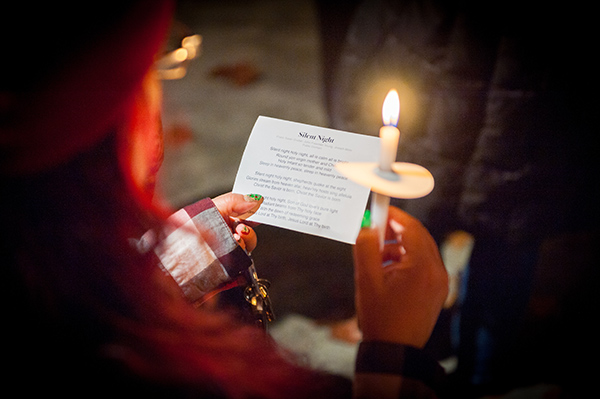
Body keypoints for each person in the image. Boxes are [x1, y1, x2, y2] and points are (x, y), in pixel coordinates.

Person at [1, 2, 449, 398]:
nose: (163, 104)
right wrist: (394, 358)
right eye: (159, 63)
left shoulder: (47, 268)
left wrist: (177, 256)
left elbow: (89, 297)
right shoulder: (156, 371)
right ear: (86, 110)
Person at [325, 0, 597, 395]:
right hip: (431, 64)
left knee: (508, 228)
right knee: (412, 227)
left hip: (525, 98)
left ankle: (480, 371)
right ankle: (409, 341)